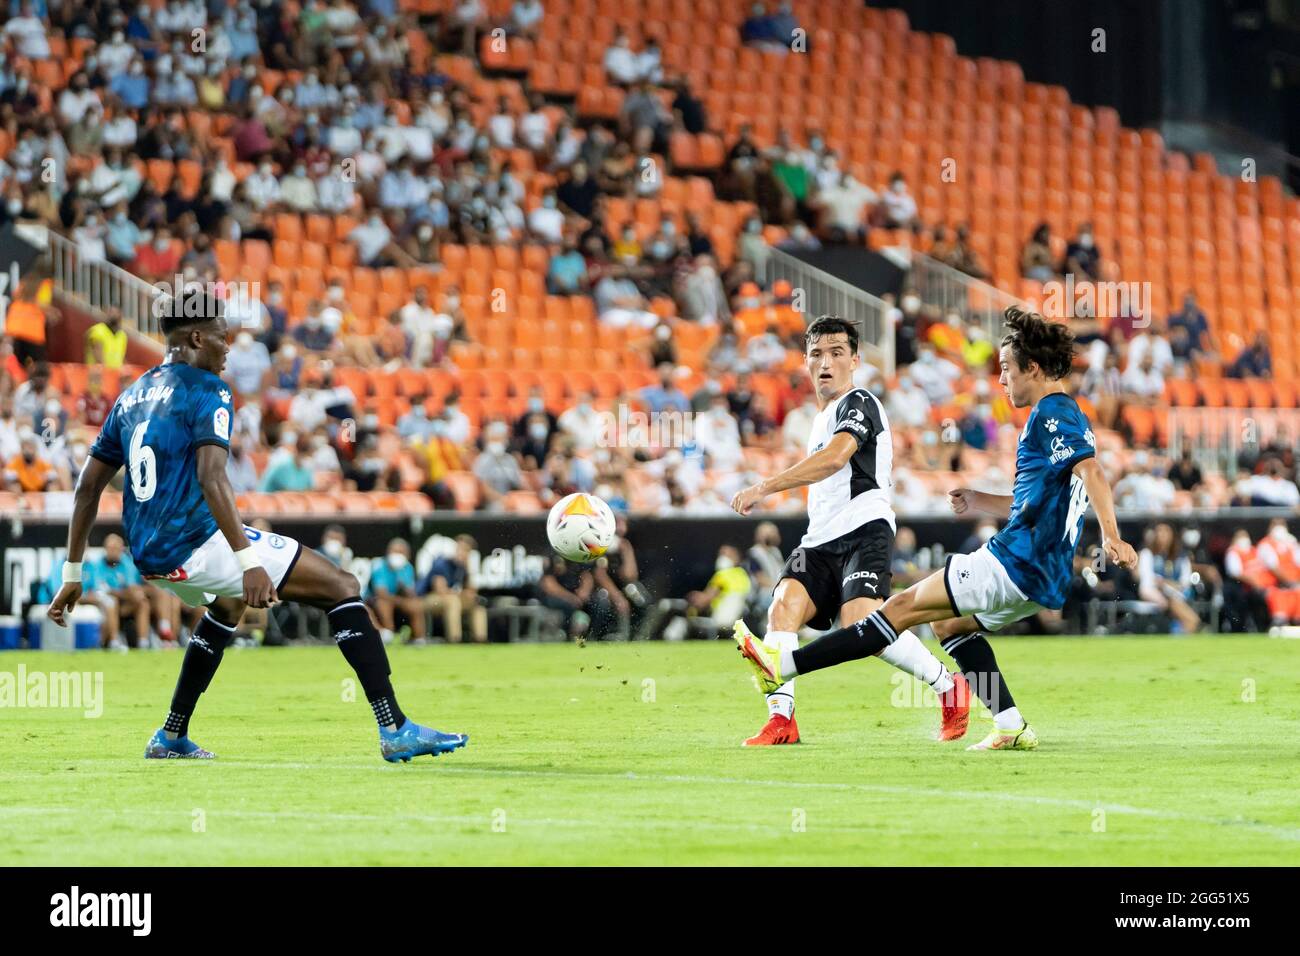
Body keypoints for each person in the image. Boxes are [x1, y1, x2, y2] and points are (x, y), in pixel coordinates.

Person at [46, 294, 465, 763]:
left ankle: (170, 735)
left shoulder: (131, 395)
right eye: (223, 336)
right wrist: (248, 561)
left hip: (151, 555)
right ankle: (395, 727)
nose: (230, 346)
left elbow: (86, 489)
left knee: (225, 607)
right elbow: (211, 476)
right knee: (342, 586)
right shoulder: (208, 389)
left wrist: (72, 573)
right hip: (193, 544)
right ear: (197, 337)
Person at [734, 307, 1138, 750]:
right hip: (1043, 573)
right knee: (948, 626)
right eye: (816, 354)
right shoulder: (1065, 416)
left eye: (1006, 369)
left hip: (1014, 562)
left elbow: (1094, 473)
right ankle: (1009, 724)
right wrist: (981, 499)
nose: (1001, 380)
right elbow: (1039, 502)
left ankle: (783, 665)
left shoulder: (1052, 414)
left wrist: (1112, 536)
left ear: (1034, 368)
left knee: (895, 610)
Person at [728, 316, 964, 746]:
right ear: (805, 361)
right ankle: (782, 720)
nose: (826, 362)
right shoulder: (817, 419)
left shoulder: (860, 402)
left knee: (862, 624)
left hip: (864, 527)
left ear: (854, 360)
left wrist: (764, 487)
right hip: (818, 538)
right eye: (817, 353)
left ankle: (949, 686)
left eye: (837, 352)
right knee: (782, 608)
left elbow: (837, 458)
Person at [420, 534, 487, 643]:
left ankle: (480, 640)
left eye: (466, 550)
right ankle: (455, 640)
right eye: (460, 548)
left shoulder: (463, 567)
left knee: (476, 602)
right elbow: (440, 590)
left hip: (451, 598)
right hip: (427, 599)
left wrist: (470, 569)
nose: (462, 552)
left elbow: (471, 590)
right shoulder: (442, 563)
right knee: (453, 601)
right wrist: (461, 594)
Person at [367, 538, 427, 644]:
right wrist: (401, 602)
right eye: (394, 551)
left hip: (396, 602)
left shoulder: (407, 567)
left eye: (401, 552)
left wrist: (403, 582)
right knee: (384, 604)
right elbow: (381, 594)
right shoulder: (379, 565)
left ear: (407, 555)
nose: (397, 555)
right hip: (374, 602)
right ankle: (388, 634)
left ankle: (418, 638)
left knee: (415, 604)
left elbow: (411, 594)